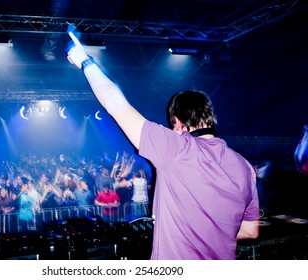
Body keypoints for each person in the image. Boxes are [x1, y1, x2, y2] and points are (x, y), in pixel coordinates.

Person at [66, 37, 260, 260]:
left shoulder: (176, 149)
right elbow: (251, 230)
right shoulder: (244, 167)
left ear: (177, 122)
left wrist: (85, 61)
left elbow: (116, 103)